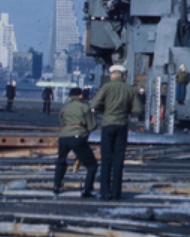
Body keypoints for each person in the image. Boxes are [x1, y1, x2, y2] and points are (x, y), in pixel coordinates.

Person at [90, 65, 142, 200]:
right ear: (123, 76)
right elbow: (138, 109)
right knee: (119, 160)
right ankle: (116, 193)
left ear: (112, 75)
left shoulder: (106, 87)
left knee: (106, 159)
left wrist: (104, 109)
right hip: (122, 125)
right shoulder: (129, 89)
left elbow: (93, 105)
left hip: (107, 125)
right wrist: (126, 110)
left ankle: (104, 192)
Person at [53, 87, 97, 197]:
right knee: (92, 165)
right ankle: (87, 189)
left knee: (61, 161)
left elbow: (62, 123)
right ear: (80, 96)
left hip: (63, 137)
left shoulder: (64, 108)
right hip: (78, 136)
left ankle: (56, 185)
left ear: (70, 97)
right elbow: (92, 126)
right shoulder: (84, 107)